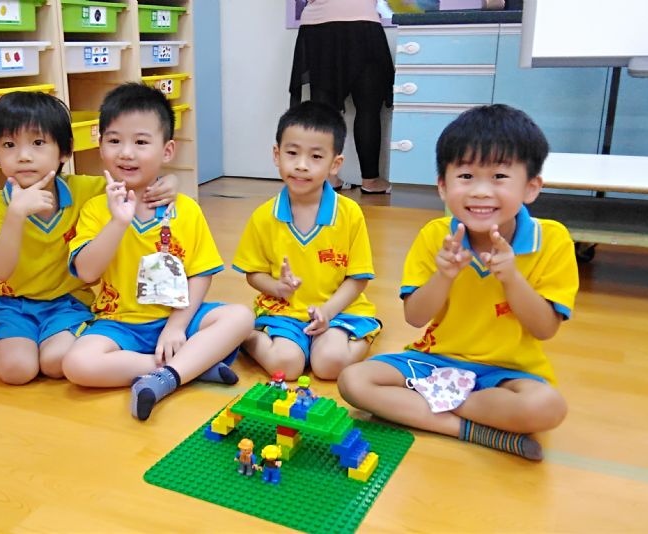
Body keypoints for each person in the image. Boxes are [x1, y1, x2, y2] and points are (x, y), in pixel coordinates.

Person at [338, 104, 579, 461]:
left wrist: (512, 278)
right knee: (353, 381)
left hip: (508, 374)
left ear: (531, 187)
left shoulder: (553, 240)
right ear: (442, 186)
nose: (480, 191)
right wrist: (444, 276)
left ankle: (435, 410)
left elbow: (545, 329)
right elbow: (415, 318)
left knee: (546, 407)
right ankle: (471, 430)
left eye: (499, 176)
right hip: (435, 364)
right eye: (466, 176)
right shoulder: (435, 235)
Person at [63, 83, 254, 420]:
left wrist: (176, 327)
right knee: (77, 364)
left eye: (140, 142)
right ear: (100, 145)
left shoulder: (186, 209)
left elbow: (200, 274)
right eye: (114, 140)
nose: (126, 153)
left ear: (167, 151)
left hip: (178, 318)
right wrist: (118, 222)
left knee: (240, 317)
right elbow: (88, 273)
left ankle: (173, 372)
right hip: (120, 323)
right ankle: (188, 367)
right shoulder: (95, 209)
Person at [0, 91, 178, 385]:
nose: (23, 156)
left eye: (38, 143)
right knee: (18, 370)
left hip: (67, 303)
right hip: (12, 304)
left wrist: (170, 181)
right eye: (9, 144)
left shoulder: (86, 190)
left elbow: (135, 183)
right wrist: (16, 215)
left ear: (65, 151)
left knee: (56, 363)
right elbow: (0, 271)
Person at [233, 102, 381, 381]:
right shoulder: (263, 216)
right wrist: (276, 287)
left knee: (329, 365)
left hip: (339, 310)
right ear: (276, 155)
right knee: (287, 367)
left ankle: (366, 333)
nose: (301, 165)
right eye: (292, 153)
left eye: (315, 156)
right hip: (284, 311)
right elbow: (253, 273)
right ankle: (246, 337)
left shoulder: (349, 214)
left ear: (335, 164)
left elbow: (358, 278)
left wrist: (327, 311)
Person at [289, 0, 395, 194]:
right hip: (362, 21)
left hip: (318, 25)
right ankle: (370, 180)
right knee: (368, 108)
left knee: (325, 111)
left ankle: (328, 178)